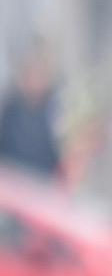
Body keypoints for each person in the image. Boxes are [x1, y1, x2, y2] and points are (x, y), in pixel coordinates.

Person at [0, 41, 65, 182]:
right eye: (31, 74)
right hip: (11, 183)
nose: (35, 81)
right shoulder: (11, 110)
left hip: (43, 185)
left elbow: (59, 154)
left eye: (40, 75)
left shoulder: (54, 111)